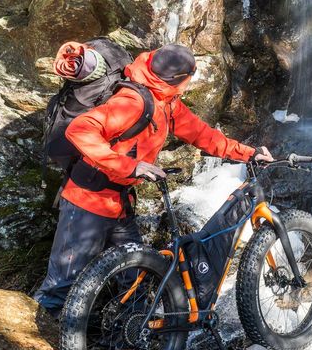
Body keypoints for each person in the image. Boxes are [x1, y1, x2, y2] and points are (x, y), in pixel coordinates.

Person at [33, 44, 274, 317]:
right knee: (59, 289)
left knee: (135, 281)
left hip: (119, 205)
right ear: (177, 79)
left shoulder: (165, 100)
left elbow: (202, 135)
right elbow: (80, 129)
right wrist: (130, 166)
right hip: (87, 202)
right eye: (188, 78)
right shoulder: (134, 102)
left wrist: (248, 154)